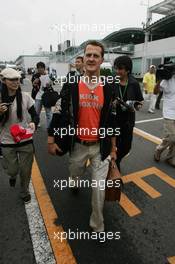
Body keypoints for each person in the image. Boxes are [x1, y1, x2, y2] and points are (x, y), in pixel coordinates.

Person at [48, 40, 117, 233]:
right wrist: (51, 139)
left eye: (96, 55)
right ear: (83, 58)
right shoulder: (72, 84)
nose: (92, 58)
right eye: (89, 55)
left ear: (102, 60)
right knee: (75, 174)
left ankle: (98, 225)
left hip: (99, 147)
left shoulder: (109, 87)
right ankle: (74, 180)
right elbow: (59, 111)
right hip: (77, 145)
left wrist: (113, 149)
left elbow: (111, 121)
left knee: (98, 190)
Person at [0, 68, 39, 203]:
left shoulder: (25, 96)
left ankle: (24, 192)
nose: (16, 82)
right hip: (7, 140)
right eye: (12, 79)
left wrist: (34, 122)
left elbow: (35, 114)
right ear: (3, 80)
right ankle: (12, 175)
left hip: (25, 138)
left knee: (26, 170)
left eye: (17, 79)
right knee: (12, 170)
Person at [113, 55, 144, 171]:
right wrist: (112, 103)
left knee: (126, 148)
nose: (117, 71)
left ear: (127, 70)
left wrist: (136, 105)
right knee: (112, 147)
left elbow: (140, 101)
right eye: (116, 68)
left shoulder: (134, 83)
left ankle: (116, 161)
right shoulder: (111, 81)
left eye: (120, 68)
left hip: (128, 122)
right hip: (114, 121)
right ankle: (115, 168)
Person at [154, 71, 175, 167]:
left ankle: (170, 158)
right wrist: (159, 80)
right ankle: (159, 150)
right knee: (171, 137)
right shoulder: (167, 80)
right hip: (169, 113)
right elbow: (155, 92)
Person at [32, 61, 53, 128]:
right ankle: (36, 123)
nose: (40, 69)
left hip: (46, 97)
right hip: (38, 96)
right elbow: (33, 85)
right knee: (36, 112)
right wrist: (34, 84)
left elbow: (51, 85)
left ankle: (49, 126)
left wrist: (49, 85)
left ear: (44, 68)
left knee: (48, 113)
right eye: (39, 68)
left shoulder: (49, 76)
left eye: (41, 68)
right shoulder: (35, 76)